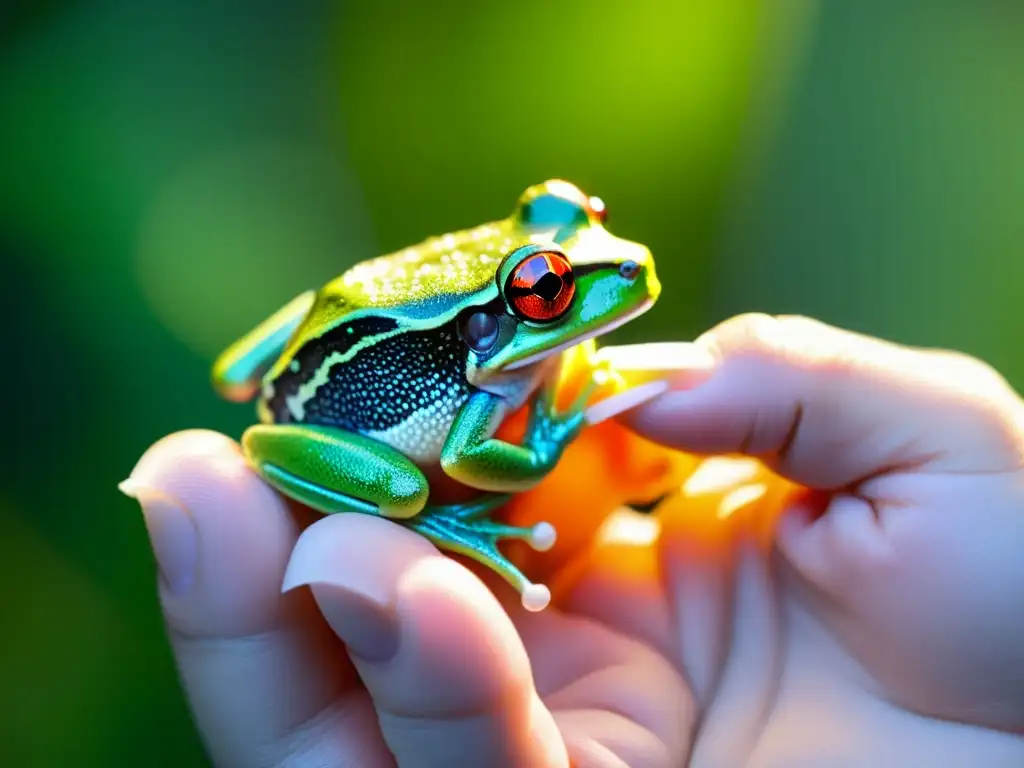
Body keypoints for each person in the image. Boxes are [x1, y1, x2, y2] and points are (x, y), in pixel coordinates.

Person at [120, 314, 1024, 767]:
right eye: (552, 291)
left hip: (347, 330)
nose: (609, 271)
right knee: (403, 486)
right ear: (505, 317)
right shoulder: (478, 378)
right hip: (341, 416)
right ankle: (424, 519)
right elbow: (476, 457)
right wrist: (547, 438)